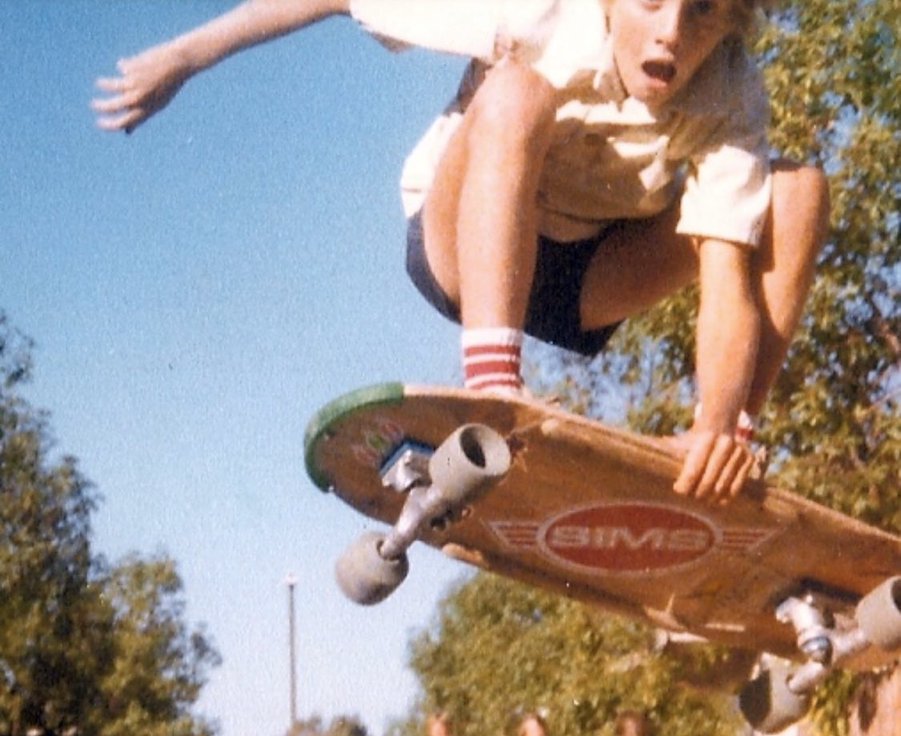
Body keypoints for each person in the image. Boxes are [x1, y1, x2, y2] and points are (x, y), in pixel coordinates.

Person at [93, 0, 829, 504]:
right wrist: (184, 56)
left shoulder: (732, 89)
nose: (669, 34)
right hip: (460, 249)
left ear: (728, 22)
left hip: (585, 280)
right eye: (648, 3)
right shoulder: (532, 9)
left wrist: (716, 418)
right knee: (515, 90)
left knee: (795, 191)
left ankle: (726, 449)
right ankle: (492, 384)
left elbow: (727, 277)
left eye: (699, 11)